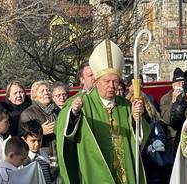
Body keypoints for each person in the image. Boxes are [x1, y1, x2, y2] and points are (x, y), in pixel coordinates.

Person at [55, 40, 150, 184]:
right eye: (107, 81)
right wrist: (74, 114)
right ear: (96, 81)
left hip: (124, 173)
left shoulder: (125, 105)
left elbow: (136, 140)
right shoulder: (84, 103)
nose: (112, 86)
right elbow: (65, 132)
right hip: (96, 174)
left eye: (115, 81)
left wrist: (136, 119)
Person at [20, 81, 56, 156]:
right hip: (40, 155)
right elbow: (24, 137)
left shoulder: (57, 110)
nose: (46, 93)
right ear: (34, 97)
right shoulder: (27, 114)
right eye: (42, 91)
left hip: (58, 152)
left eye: (48, 90)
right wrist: (41, 131)